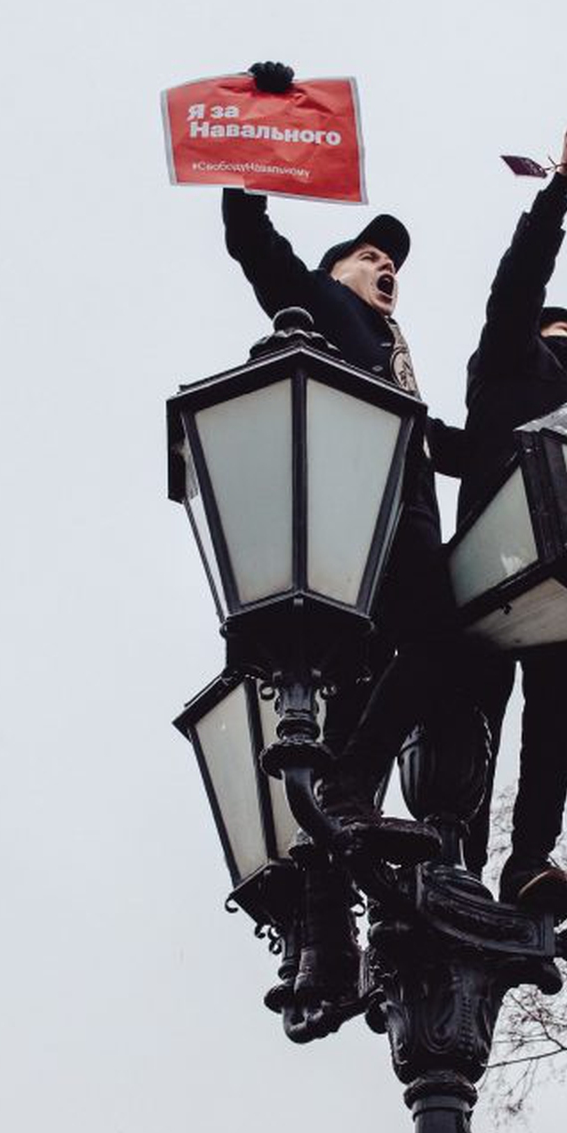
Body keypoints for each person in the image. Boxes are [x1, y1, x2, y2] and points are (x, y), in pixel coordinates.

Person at [220, 60, 457, 997]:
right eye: (370, 255)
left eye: (393, 262)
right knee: (340, 712)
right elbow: (253, 245)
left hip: (402, 531)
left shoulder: (402, 367)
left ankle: (352, 806)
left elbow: (450, 446)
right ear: (335, 272)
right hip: (340, 538)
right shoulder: (324, 309)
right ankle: (326, 938)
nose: (387, 266)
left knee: (431, 654)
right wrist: (250, 138)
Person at [431, 119, 567, 914]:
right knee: (475, 705)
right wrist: (559, 189)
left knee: (553, 723)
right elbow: (520, 282)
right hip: (492, 563)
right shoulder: (509, 361)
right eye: (559, 331)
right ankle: (457, 847)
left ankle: (529, 857)